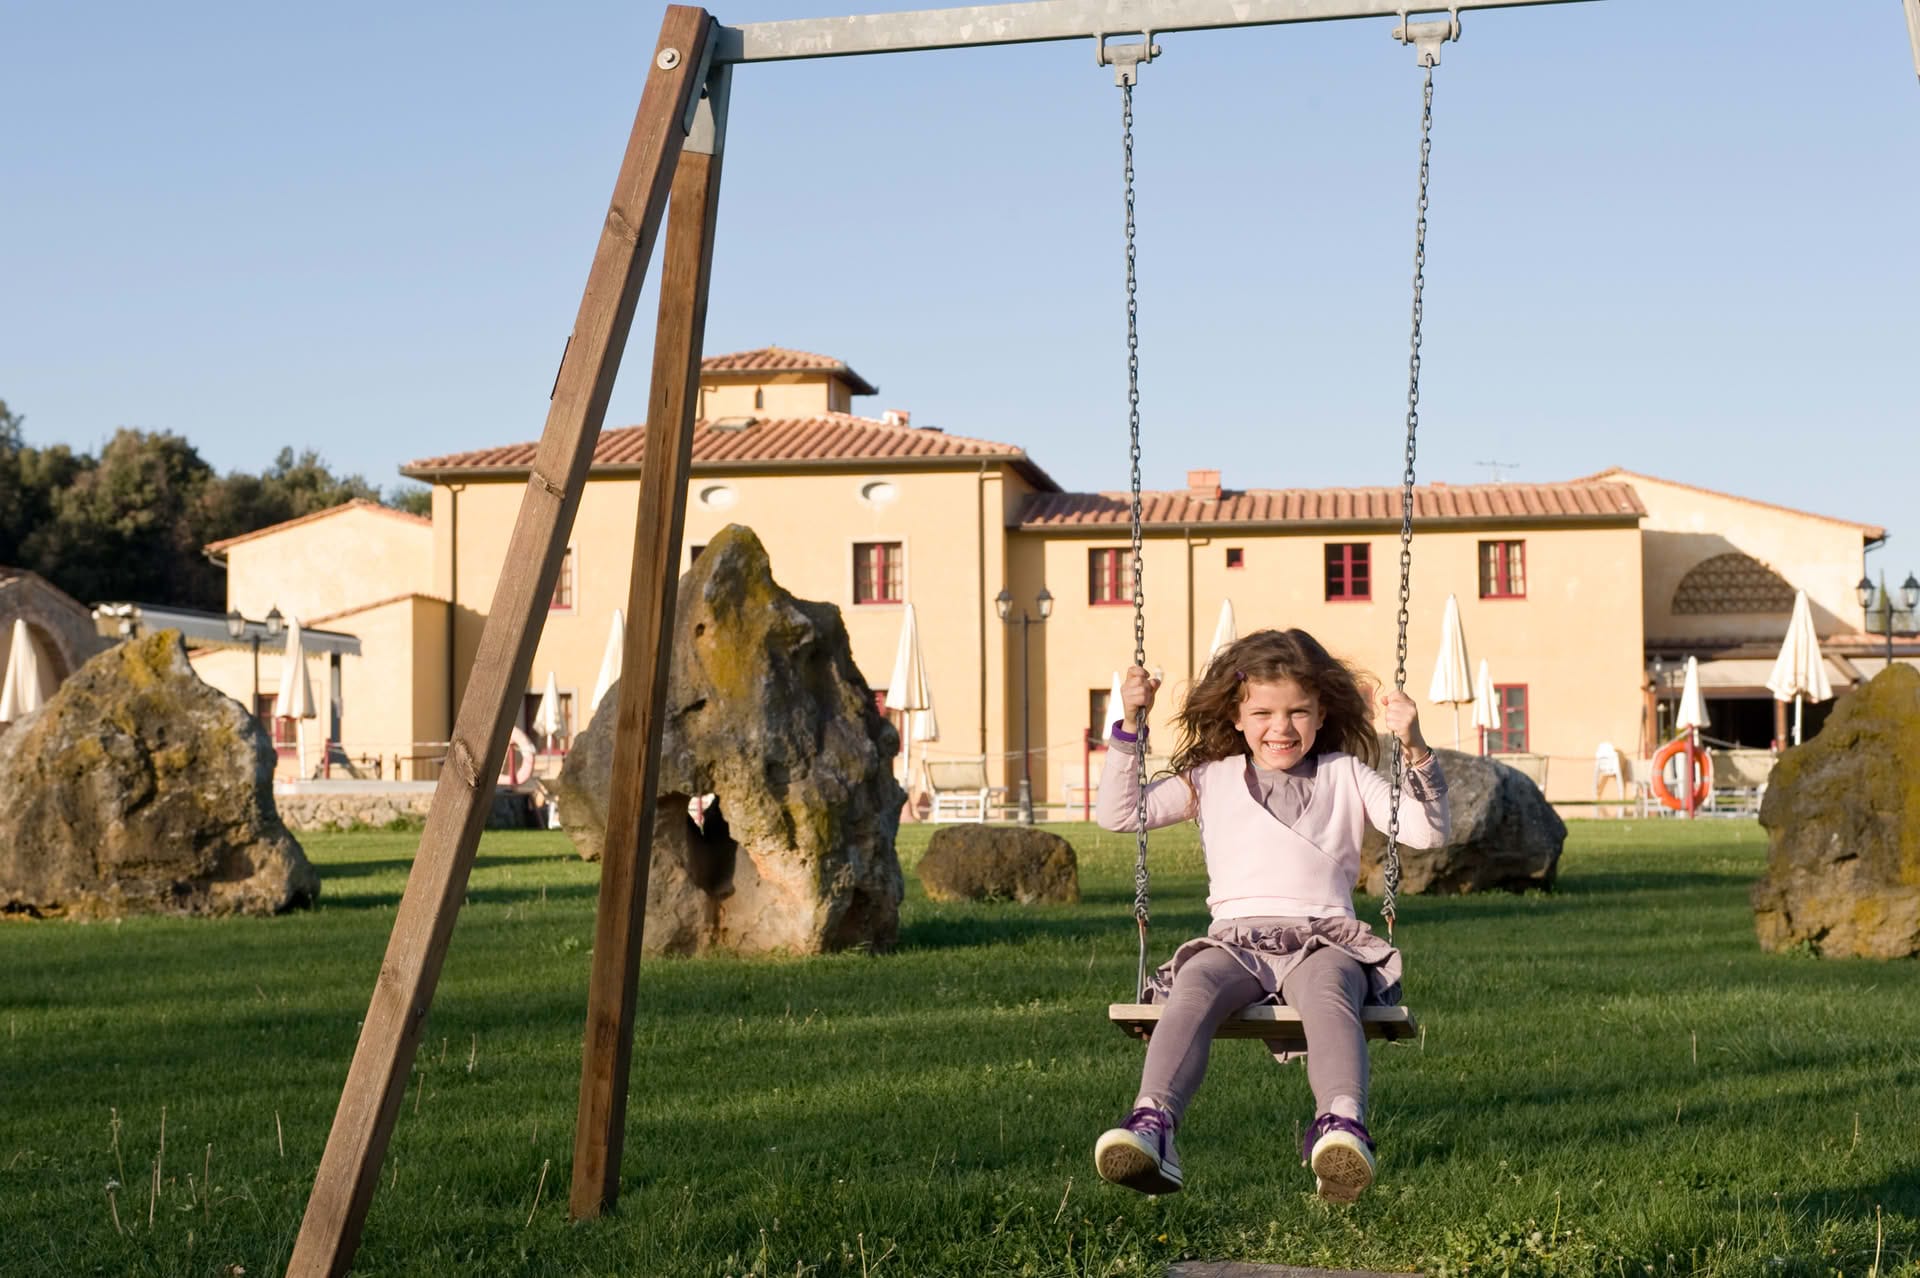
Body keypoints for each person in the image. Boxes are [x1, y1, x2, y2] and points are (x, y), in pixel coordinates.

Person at [1091, 627, 1450, 1203]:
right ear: (1236, 715)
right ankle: (1153, 1126)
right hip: (1235, 940)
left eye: (1297, 712)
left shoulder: (1345, 774)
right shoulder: (1210, 779)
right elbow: (1119, 814)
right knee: (1194, 984)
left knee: (1331, 988)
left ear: (1321, 711)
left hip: (1324, 938)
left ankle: (1341, 1125)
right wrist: (1130, 727)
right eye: (1262, 712)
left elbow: (1428, 829)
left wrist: (1413, 744)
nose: (1280, 728)